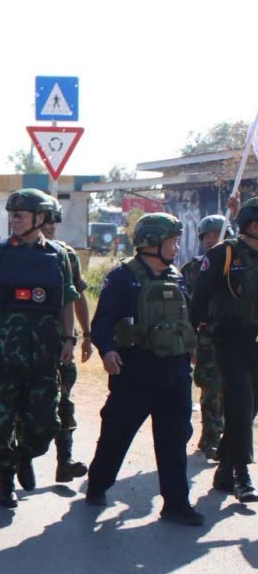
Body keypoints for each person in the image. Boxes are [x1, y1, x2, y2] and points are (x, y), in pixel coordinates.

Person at [0, 188, 77, 509]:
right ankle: (6, 477)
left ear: (40, 218)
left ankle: (26, 454)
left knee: (44, 421)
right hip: (3, 353)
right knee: (2, 418)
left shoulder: (59, 255)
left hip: (44, 354)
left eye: (20, 215)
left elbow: (67, 300)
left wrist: (69, 339)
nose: (14, 220)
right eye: (11, 215)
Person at [85, 213, 204, 525]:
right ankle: (97, 484)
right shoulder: (123, 277)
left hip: (174, 373)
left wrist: (191, 348)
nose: (176, 248)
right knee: (116, 435)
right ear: (152, 242)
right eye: (171, 242)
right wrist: (108, 350)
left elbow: (187, 319)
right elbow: (102, 322)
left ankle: (176, 504)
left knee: (174, 440)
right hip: (134, 372)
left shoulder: (177, 277)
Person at [190, 197, 258, 503]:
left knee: (249, 408)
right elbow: (199, 297)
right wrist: (191, 339)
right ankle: (242, 475)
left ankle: (225, 468)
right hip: (229, 339)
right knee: (240, 400)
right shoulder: (224, 254)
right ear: (253, 225)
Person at [40, 197, 93, 483]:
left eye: (54, 221)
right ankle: (16, 462)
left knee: (64, 401)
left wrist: (86, 335)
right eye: (45, 220)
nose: (50, 226)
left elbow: (78, 297)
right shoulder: (9, 253)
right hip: (24, 344)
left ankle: (65, 461)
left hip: (61, 343)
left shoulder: (66, 255)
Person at [181, 214, 231, 460]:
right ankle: (211, 438)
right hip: (204, 338)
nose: (211, 240)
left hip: (232, 337)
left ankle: (227, 439)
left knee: (232, 390)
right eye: (207, 236)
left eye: (216, 235)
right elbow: (184, 305)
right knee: (210, 387)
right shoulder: (192, 269)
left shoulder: (237, 266)